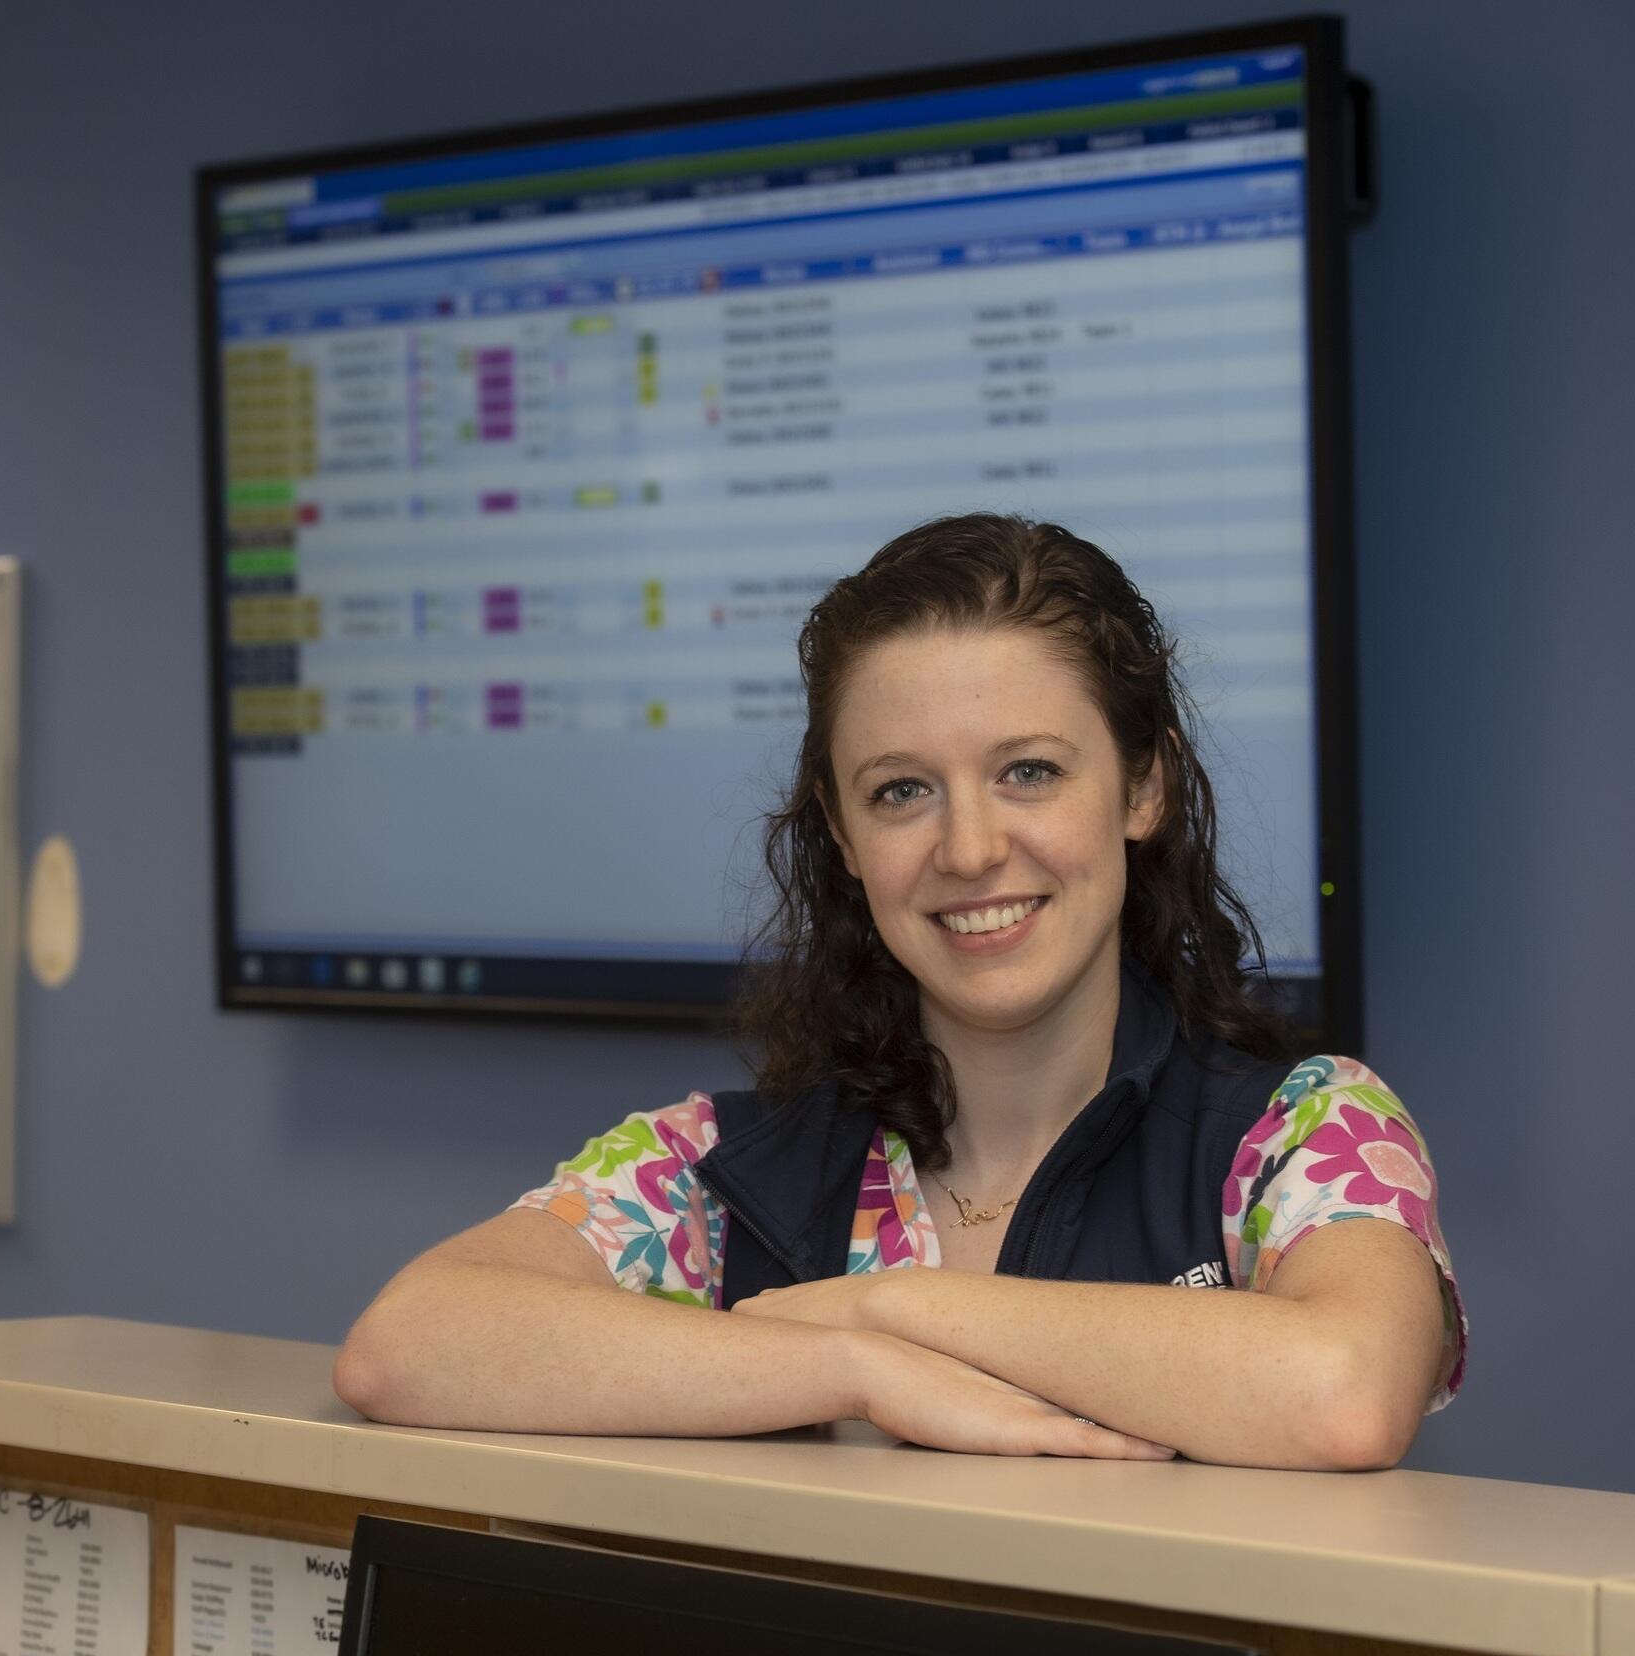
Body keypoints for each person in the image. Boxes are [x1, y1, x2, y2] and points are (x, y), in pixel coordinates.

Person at [335, 513, 1463, 1469]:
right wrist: (850, 1364)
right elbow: (405, 1342)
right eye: (901, 790)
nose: (969, 849)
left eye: (1029, 771)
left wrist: (891, 1302)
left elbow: (1346, 1390)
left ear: (1144, 784)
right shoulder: (724, 1171)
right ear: (840, 829)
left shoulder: (1303, 1131)